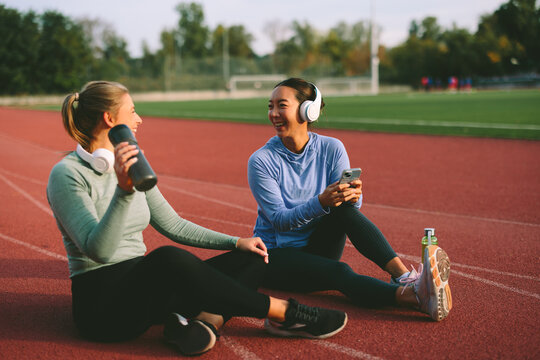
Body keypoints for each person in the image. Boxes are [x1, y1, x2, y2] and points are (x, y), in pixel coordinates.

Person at [46, 81, 348, 356]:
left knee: (253, 257)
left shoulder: (131, 160)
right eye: (133, 111)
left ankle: (202, 324)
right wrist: (124, 192)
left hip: (145, 293)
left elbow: (173, 224)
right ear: (111, 119)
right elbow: (98, 250)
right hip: (104, 310)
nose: (139, 120)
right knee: (167, 258)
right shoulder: (67, 174)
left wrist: (235, 242)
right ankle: (287, 313)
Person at [247, 78, 452, 327]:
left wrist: (353, 195)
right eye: (270, 107)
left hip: (317, 247)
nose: (273, 114)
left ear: (307, 110)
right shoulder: (261, 161)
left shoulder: (332, 148)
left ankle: (405, 277)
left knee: (342, 208)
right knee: (340, 273)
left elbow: (349, 212)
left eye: (281, 105)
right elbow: (280, 222)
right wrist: (321, 201)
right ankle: (415, 298)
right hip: (276, 258)